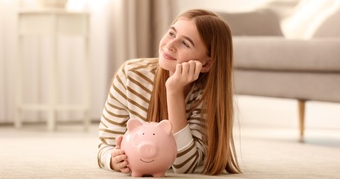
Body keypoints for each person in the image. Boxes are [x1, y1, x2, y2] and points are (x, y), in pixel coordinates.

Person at [97, 9, 241, 175]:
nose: (170, 45)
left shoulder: (207, 94)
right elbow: (105, 146)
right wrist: (113, 160)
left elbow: (185, 166)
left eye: (185, 43)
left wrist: (174, 92)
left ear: (207, 64)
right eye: (172, 33)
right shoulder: (130, 75)